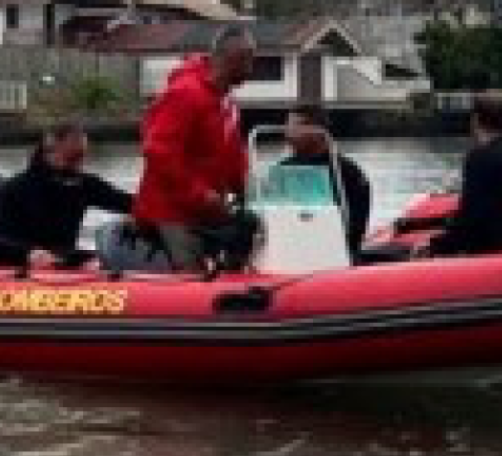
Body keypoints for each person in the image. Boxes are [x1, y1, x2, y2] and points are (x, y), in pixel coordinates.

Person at [134, 25, 254, 272]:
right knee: (190, 268)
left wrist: (248, 189)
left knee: (247, 232)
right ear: (232, 59)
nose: (251, 69)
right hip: (172, 210)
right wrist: (199, 194)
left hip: (206, 206)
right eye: (248, 60)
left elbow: (233, 155)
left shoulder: (225, 102)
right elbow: (158, 151)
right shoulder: (185, 94)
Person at [0, 123, 133, 268]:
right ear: (49, 151)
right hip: (15, 266)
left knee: (97, 260)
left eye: (82, 157)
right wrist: (26, 254)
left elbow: (130, 202)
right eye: (72, 158)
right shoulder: (14, 189)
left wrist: (139, 214)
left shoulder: (84, 185)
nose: (78, 165)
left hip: (62, 264)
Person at [429, 90, 502, 258]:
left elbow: (470, 217)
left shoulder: (480, 157)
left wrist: (436, 246)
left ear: (476, 120)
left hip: (487, 259)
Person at [279, 103, 372, 256]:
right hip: (290, 249)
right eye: (287, 126)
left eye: (294, 127)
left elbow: (356, 225)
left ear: (318, 131)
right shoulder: (282, 169)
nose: (287, 133)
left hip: (332, 253)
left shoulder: (348, 172)